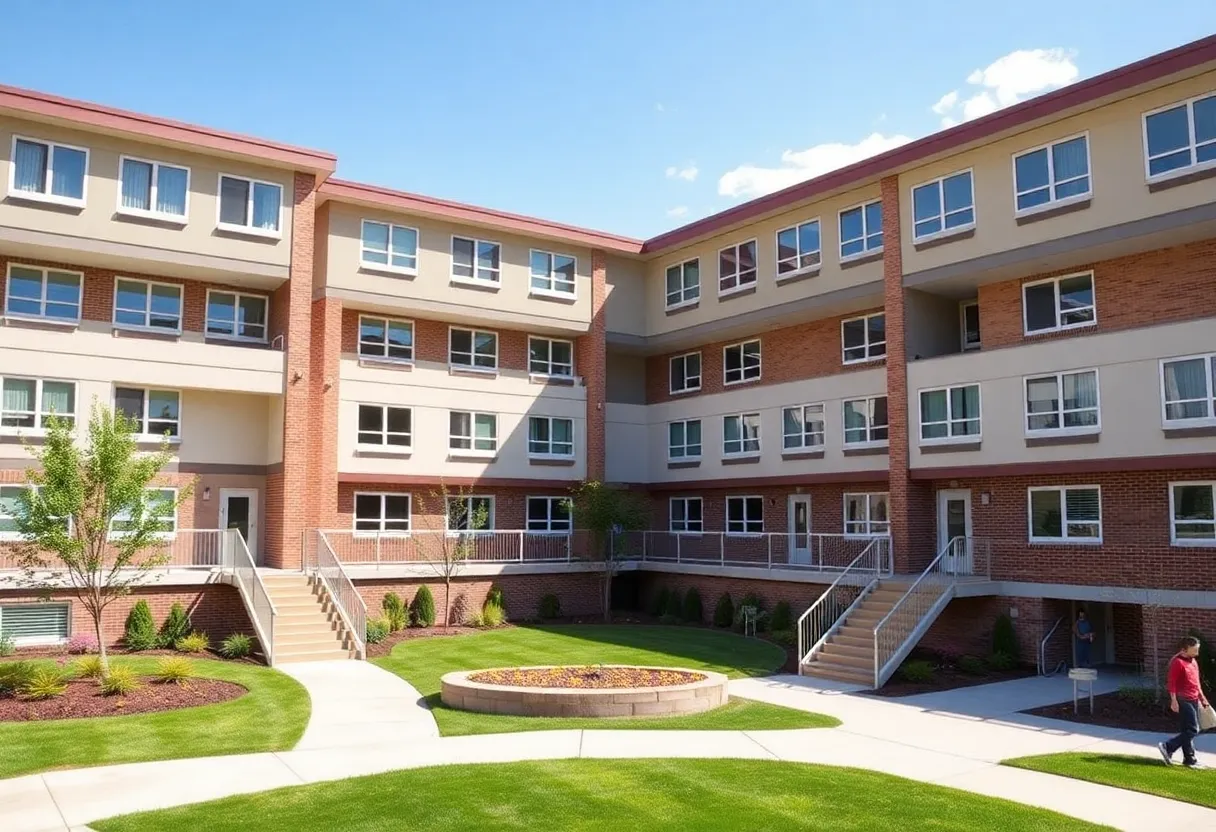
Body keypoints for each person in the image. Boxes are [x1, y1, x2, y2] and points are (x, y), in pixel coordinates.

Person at [1158, 636, 1209, 769]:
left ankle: (1189, 759)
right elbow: (1172, 683)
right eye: (1195, 650)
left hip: (1193, 698)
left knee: (1186, 730)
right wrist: (1173, 701)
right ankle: (1168, 746)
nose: (1197, 652)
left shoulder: (1193, 662)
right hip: (1182, 699)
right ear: (1184, 650)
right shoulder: (1177, 662)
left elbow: (1196, 683)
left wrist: (1203, 699)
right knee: (1193, 729)